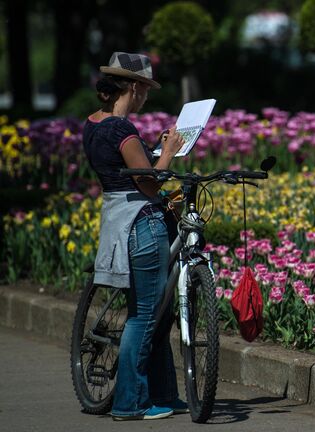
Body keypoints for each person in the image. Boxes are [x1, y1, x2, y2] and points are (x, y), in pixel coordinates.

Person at [82, 52, 186, 421]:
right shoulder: (122, 130)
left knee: (153, 312)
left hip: (117, 219)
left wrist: (150, 151)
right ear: (135, 87)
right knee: (145, 315)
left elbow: (125, 169)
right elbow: (148, 180)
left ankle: (164, 394)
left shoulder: (94, 124)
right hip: (141, 222)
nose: (146, 97)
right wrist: (169, 153)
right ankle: (130, 402)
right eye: (145, 89)